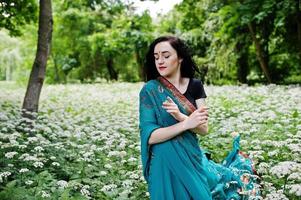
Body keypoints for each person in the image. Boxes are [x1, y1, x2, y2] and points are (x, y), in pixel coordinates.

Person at [138, 36, 261, 200]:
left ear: (180, 57)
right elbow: (150, 136)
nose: (160, 61)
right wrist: (186, 123)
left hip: (191, 156)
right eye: (156, 57)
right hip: (162, 160)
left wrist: (181, 117)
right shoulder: (150, 90)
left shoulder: (195, 85)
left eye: (166, 56)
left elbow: (203, 129)